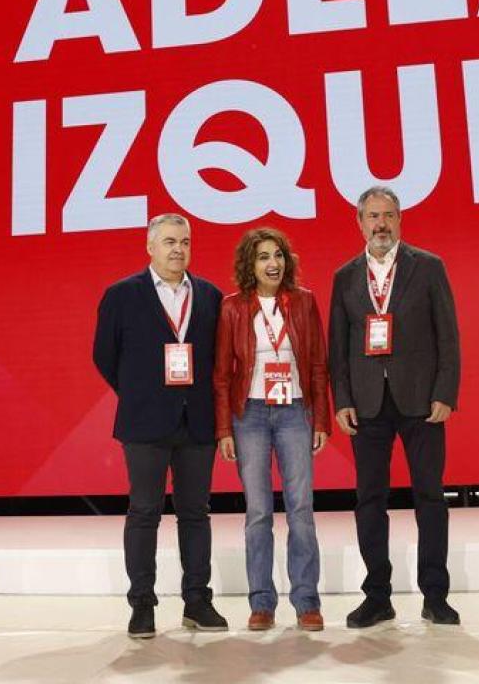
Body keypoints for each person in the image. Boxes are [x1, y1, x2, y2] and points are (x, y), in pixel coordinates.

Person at [328, 185, 462, 627]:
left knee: (430, 497)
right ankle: (377, 596)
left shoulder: (428, 267)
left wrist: (445, 392)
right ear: (359, 222)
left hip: (422, 400)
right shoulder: (345, 276)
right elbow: (339, 347)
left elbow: (448, 336)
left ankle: (435, 596)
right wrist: (342, 398)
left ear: (399, 219)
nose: (381, 224)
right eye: (372, 216)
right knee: (369, 500)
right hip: (367, 403)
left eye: (388, 215)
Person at [93, 213, 228, 639]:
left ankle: (197, 601)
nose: (178, 249)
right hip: (144, 421)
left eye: (185, 242)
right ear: (150, 247)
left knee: (195, 514)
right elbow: (104, 356)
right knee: (144, 513)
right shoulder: (121, 294)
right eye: (169, 241)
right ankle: (142, 605)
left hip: (197, 422)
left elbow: (218, 361)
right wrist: (141, 393)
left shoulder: (210, 296)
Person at [214, 227, 331, 632]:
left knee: (301, 508)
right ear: (251, 264)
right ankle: (261, 603)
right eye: (264, 256)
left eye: (278, 255)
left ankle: (306, 602)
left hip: (295, 411)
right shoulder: (232, 307)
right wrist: (224, 429)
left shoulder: (303, 302)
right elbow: (222, 375)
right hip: (250, 415)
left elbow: (318, 363)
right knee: (259, 511)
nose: (273, 263)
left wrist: (321, 419)